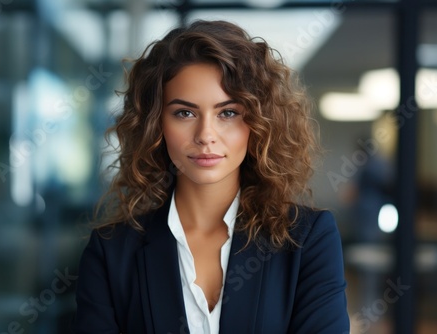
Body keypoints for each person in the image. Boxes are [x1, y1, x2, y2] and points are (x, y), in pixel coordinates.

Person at [74, 20, 349, 334]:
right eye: (184, 112)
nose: (206, 135)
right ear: (156, 124)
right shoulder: (111, 253)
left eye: (227, 113)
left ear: (258, 122)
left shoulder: (308, 240)